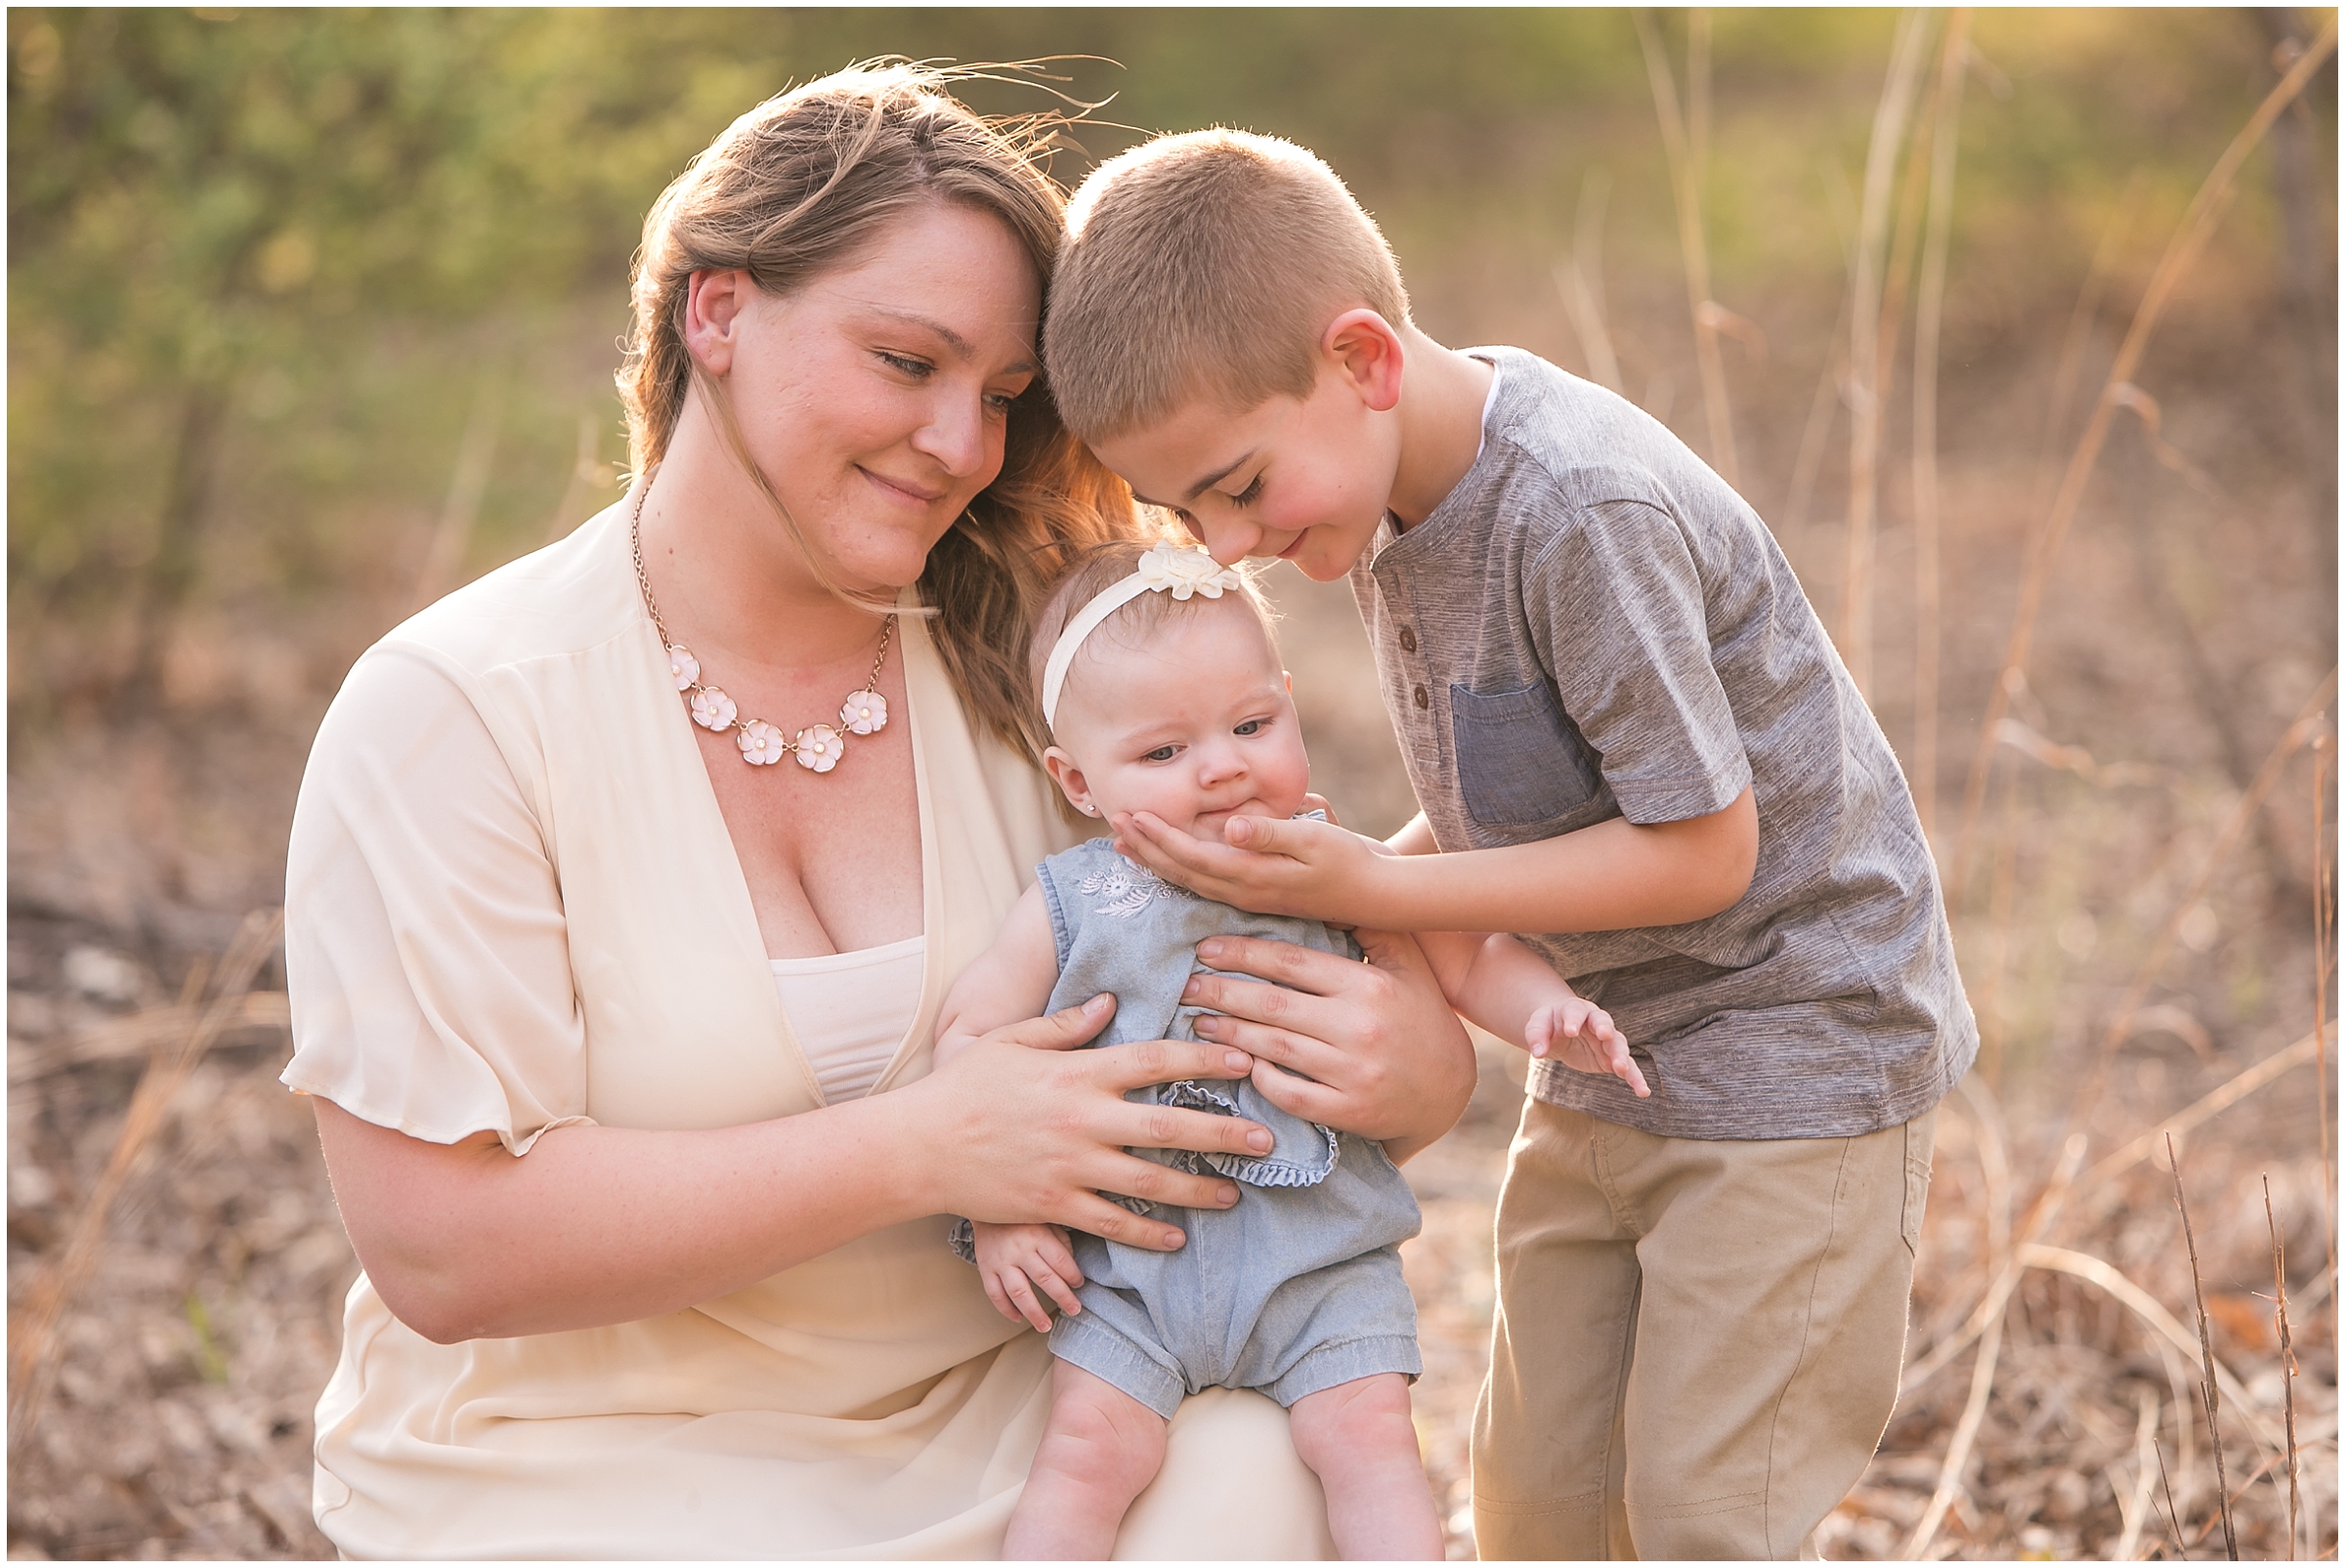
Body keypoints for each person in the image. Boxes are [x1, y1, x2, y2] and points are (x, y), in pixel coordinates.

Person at [278, 73, 1476, 1560]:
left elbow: (1330, 975)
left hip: (1030, 1413)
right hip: (590, 1468)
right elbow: (442, 1248)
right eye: (907, 360)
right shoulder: (455, 711)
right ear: (714, 314)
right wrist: (928, 1147)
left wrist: (1412, 1066)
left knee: (1268, 1477)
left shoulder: (1059, 668)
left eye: (1002, 397)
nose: (960, 443)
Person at [1037, 129, 1979, 1560]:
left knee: (1705, 1513)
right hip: (1605, 1049)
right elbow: (1517, 803)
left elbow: (1704, 848)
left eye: (1235, 487)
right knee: (1541, 1506)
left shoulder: (1575, 509)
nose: (1222, 546)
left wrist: (1376, 881)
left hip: (1794, 1054)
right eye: (1189, 512)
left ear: (1361, 358)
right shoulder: (1384, 499)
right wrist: (1340, 880)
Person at [932, 538, 1644, 1560]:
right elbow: (972, 1041)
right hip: (1131, 1269)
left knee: (1369, 1442)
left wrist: (1544, 1008)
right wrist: (995, 1204)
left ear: (1289, 705)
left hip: (1322, 1259)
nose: (1222, 766)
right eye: (1162, 754)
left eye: (1251, 725)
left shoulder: (1336, 866)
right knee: (1087, 1454)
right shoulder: (1077, 898)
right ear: (1077, 780)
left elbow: (1464, 950)